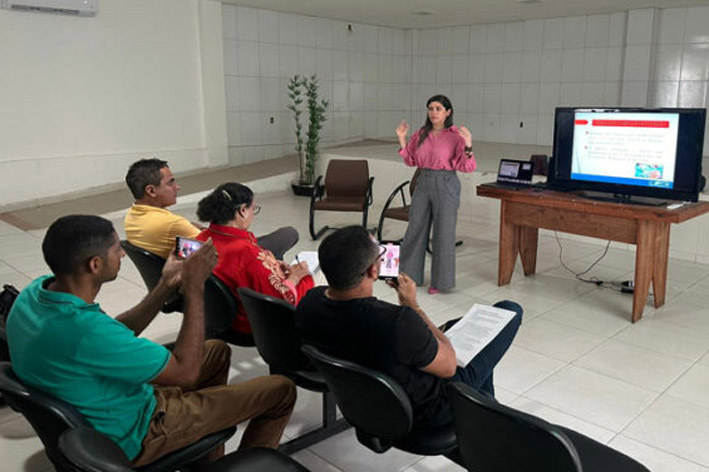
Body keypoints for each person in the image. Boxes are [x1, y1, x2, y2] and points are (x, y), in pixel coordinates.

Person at [6, 215, 296, 466]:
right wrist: (194, 288)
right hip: (135, 432)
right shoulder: (83, 330)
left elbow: (115, 333)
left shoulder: (37, 293)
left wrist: (166, 285)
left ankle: (207, 453)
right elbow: (186, 373)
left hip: (97, 401)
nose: (121, 254)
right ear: (95, 264)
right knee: (280, 390)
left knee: (217, 350)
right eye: (116, 249)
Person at [295, 226, 521, 432]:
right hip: (429, 409)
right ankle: (489, 421)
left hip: (371, 402)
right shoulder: (398, 321)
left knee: (455, 328)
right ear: (374, 271)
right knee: (509, 311)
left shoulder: (309, 303)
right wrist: (412, 305)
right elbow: (450, 365)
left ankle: (488, 409)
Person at [195, 183, 314, 338]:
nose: (253, 214)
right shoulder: (247, 252)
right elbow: (281, 301)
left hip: (213, 315)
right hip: (249, 322)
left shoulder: (201, 240)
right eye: (253, 209)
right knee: (312, 286)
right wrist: (296, 277)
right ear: (242, 210)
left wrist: (271, 266)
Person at [124, 158, 298, 260]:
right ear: (151, 190)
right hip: (223, 266)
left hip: (184, 275)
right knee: (288, 234)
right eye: (171, 182)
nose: (177, 187)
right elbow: (216, 251)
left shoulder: (133, 217)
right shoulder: (170, 224)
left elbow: (192, 241)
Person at [395, 95, 477, 294]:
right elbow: (411, 161)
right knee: (415, 228)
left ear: (448, 112)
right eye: (430, 108)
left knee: (444, 233)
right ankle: (409, 276)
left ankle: (440, 283)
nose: (433, 112)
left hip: (446, 183)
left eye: (438, 108)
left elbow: (467, 166)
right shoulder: (421, 133)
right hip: (423, 182)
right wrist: (402, 139)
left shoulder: (456, 135)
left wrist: (468, 145)